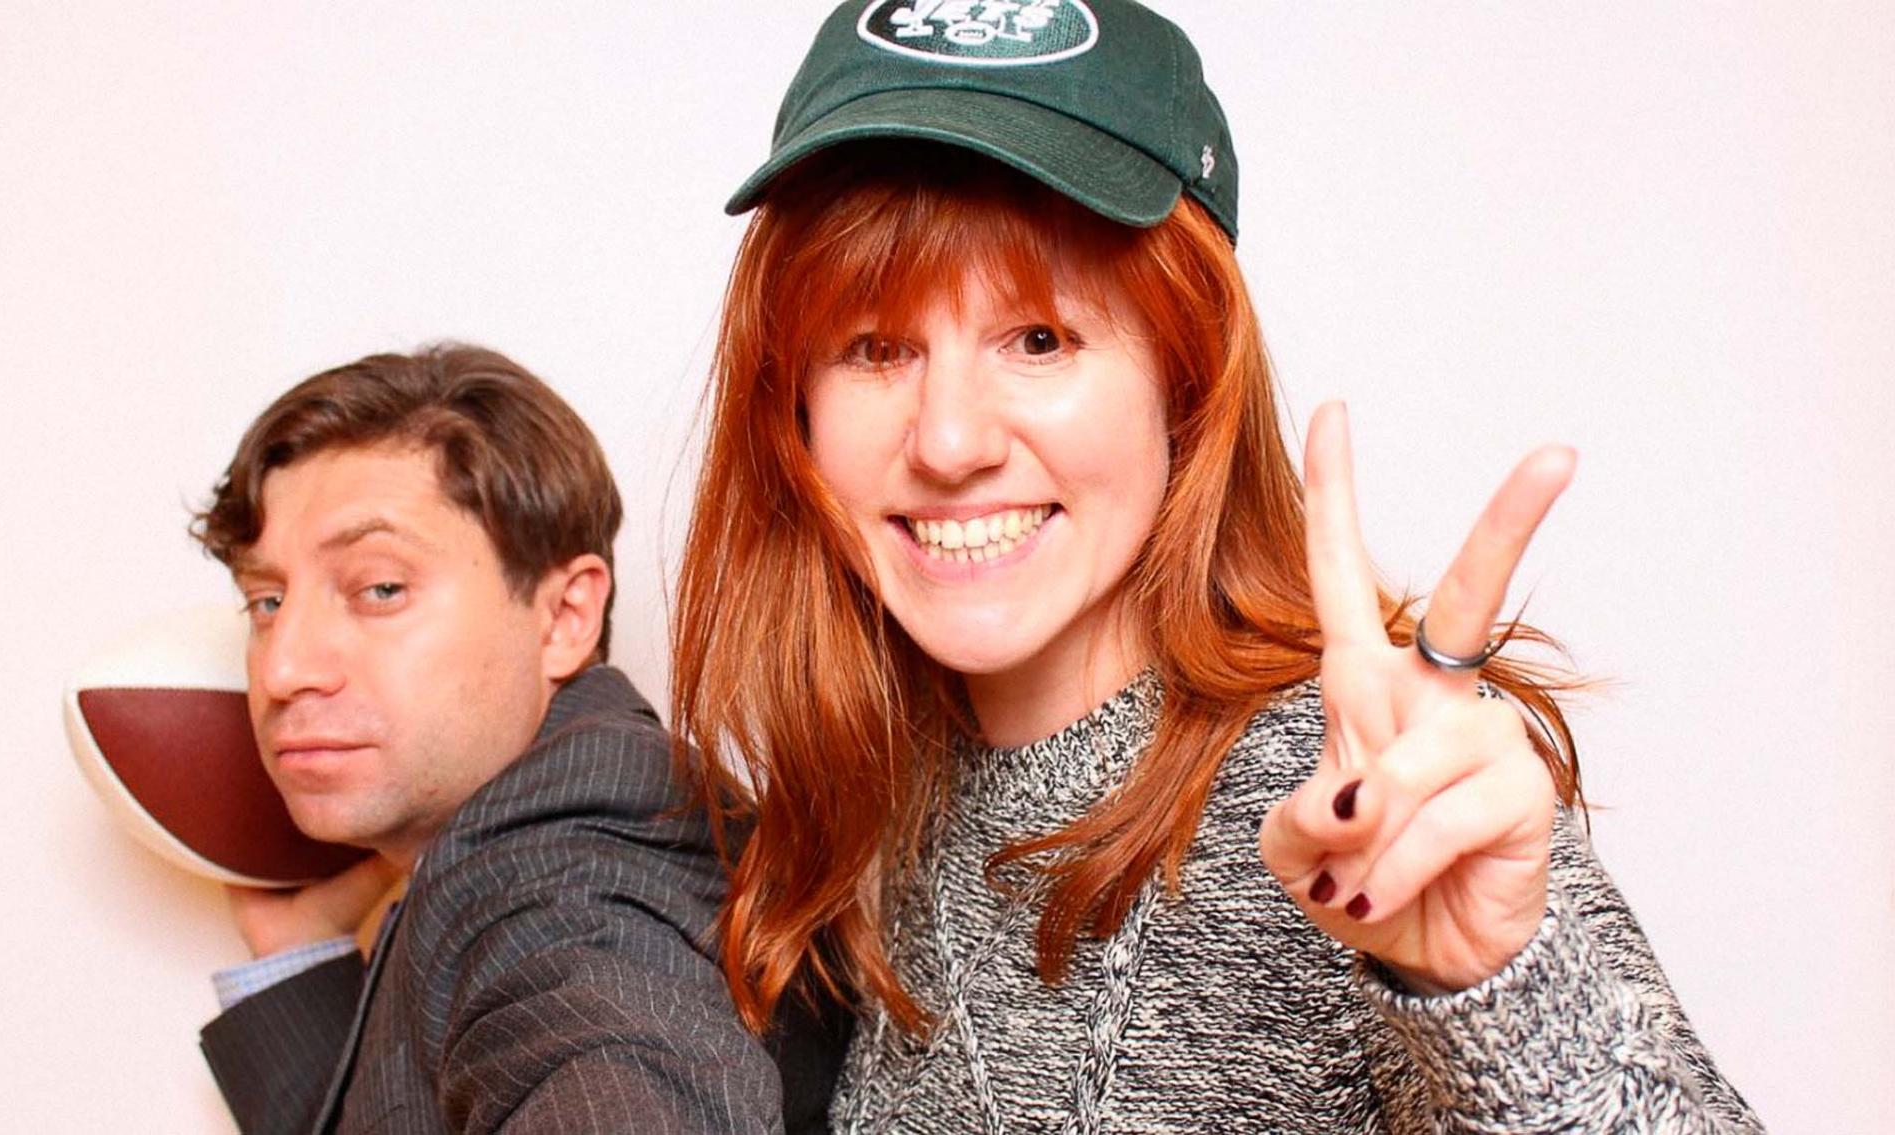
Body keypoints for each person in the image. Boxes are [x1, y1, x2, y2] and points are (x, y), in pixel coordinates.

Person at [671, 2, 1763, 1131]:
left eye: (1039, 339)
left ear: (1185, 376)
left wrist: (1497, 991)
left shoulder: (1362, 789)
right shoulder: (863, 800)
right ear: (795, 407)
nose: (949, 441)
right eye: (874, 347)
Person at [189, 344, 828, 1134]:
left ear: (564, 617)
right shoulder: (530, 834)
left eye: (380, 587)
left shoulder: (556, 887)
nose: (283, 668)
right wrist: (298, 951)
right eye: (267, 601)